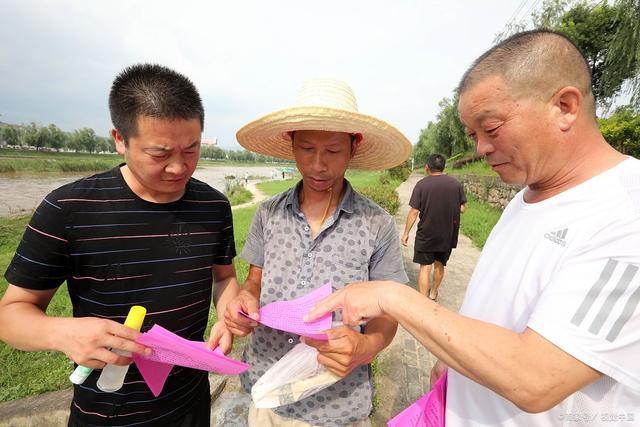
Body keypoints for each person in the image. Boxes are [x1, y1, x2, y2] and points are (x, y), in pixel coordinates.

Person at [306, 30, 640, 426]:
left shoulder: (625, 214)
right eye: (472, 134)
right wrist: (454, 364)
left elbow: (538, 379)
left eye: (492, 128)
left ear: (565, 106)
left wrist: (395, 297)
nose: (480, 148)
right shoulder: (526, 198)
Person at [0, 64, 239, 426]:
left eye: (191, 150)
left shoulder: (214, 206)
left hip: (190, 404)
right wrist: (60, 332)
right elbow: (11, 314)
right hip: (105, 413)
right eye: (160, 154)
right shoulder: (68, 209)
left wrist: (227, 313)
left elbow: (223, 277)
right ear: (119, 138)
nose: (179, 168)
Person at [226, 78, 412, 426]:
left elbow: (389, 313)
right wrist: (244, 302)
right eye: (307, 149)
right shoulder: (269, 213)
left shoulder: (377, 224)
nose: (318, 165)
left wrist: (367, 347)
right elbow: (253, 281)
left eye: (332, 151)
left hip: (337, 400)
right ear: (291, 142)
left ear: (353, 147)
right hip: (268, 391)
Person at [402, 154, 466, 300]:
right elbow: (462, 209)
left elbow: (414, 211)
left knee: (425, 267)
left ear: (427, 167)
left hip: (426, 233)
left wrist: (406, 233)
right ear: (443, 167)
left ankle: (423, 300)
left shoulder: (422, 185)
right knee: (440, 264)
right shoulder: (455, 184)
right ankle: (433, 293)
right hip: (447, 233)